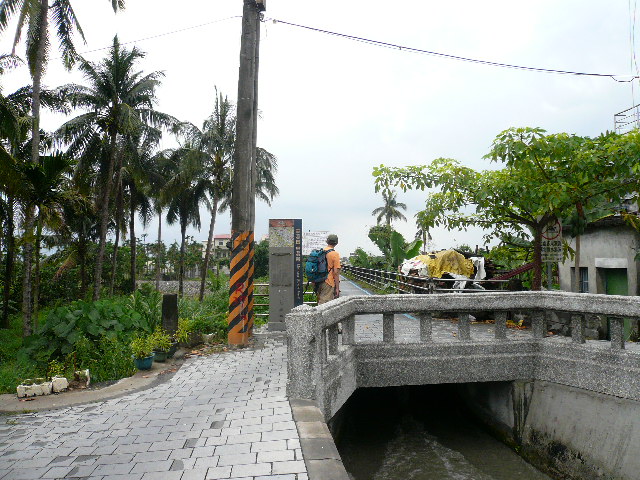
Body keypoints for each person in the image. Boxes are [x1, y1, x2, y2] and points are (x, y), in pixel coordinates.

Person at [316, 234, 341, 305]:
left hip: (318, 280)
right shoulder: (335, 254)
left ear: (327, 241)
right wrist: (337, 288)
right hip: (328, 282)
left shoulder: (320, 252)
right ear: (336, 243)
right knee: (325, 306)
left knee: (320, 301)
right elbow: (335, 273)